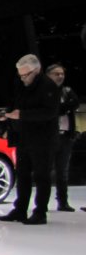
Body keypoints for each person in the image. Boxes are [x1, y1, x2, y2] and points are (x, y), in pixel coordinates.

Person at [0, 54, 60, 225]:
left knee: (41, 175)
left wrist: (22, 115)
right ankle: (20, 209)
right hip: (24, 136)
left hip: (43, 139)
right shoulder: (21, 85)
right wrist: (8, 115)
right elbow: (16, 105)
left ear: (36, 70)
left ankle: (40, 212)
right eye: (21, 75)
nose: (23, 78)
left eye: (26, 75)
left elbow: (49, 112)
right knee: (22, 174)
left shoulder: (48, 86)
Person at [46, 63, 79, 212]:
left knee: (63, 171)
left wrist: (62, 108)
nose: (60, 76)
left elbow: (75, 103)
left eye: (62, 74)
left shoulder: (67, 91)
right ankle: (43, 202)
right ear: (48, 76)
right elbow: (53, 110)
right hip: (49, 136)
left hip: (66, 135)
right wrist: (64, 108)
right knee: (46, 170)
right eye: (56, 74)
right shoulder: (44, 92)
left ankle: (63, 201)